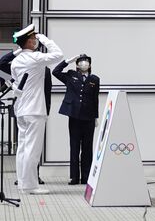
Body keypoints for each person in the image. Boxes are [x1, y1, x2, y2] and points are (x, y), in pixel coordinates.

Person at [10, 24, 63, 195]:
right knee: (32, 150)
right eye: (34, 39)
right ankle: (30, 186)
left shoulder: (16, 61)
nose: (36, 41)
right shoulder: (35, 58)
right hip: (34, 110)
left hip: (22, 109)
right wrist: (45, 39)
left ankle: (23, 184)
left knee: (23, 148)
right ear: (30, 42)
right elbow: (58, 54)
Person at [0, 47, 52, 186]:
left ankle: (34, 177)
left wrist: (47, 111)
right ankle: (22, 177)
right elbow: (2, 62)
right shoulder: (18, 65)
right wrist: (16, 51)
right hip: (20, 109)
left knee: (34, 146)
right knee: (22, 145)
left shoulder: (45, 70)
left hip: (37, 110)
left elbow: (47, 92)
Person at [52, 53, 100, 185]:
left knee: (87, 148)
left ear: (90, 64)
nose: (84, 63)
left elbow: (95, 99)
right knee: (74, 147)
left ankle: (86, 176)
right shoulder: (71, 75)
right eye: (81, 61)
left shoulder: (95, 79)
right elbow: (55, 72)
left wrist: (96, 116)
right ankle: (74, 177)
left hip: (89, 117)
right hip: (74, 116)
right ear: (77, 64)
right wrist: (67, 61)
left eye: (86, 61)